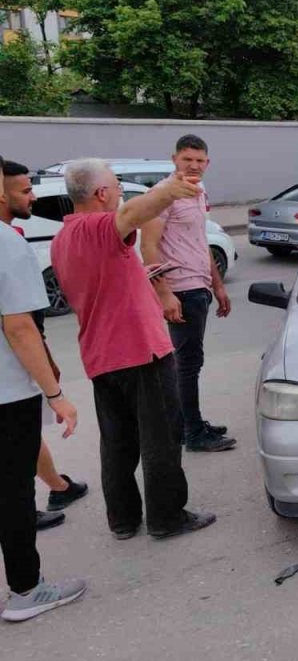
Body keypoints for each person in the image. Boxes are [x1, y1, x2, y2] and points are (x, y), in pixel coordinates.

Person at [52, 159, 217, 541]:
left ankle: (123, 520)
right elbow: (130, 215)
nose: (120, 193)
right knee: (161, 437)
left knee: (118, 444)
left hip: (100, 355)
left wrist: (138, 280)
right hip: (139, 351)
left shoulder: (64, 239)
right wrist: (166, 191)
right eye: (116, 187)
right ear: (101, 194)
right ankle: (166, 518)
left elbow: (101, 283)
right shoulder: (98, 227)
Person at [0, 153, 86, 623]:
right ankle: (27, 590)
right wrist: (56, 393)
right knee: (12, 493)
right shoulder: (6, 244)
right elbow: (20, 329)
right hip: (7, 394)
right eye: (20, 188)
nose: (30, 195)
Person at [141, 135, 235, 453]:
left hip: (200, 287)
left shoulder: (197, 191)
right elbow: (148, 247)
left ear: (207, 163)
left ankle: (188, 423)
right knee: (187, 364)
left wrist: (218, 285)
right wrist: (165, 294)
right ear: (174, 159)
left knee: (190, 361)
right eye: (187, 159)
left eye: (199, 160)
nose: (193, 165)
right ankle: (193, 433)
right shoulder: (162, 196)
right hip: (181, 290)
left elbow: (199, 241)